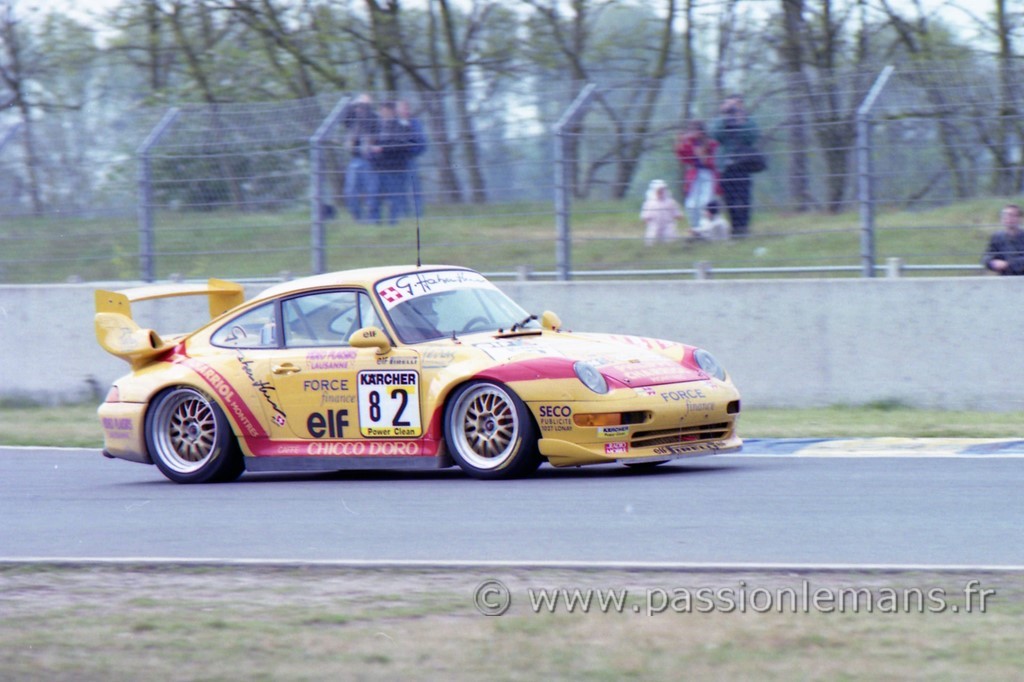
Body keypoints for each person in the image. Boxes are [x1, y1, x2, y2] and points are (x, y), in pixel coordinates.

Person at [711, 94, 760, 237]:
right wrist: (725, 116)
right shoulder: (720, 121)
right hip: (726, 167)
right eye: (729, 103)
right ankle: (735, 228)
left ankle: (743, 228)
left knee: (744, 198)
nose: (732, 107)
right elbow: (715, 134)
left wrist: (740, 119)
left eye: (735, 104)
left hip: (743, 165)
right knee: (729, 199)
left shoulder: (747, 120)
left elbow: (752, 136)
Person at [367, 101, 419, 225]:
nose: (383, 113)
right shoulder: (377, 126)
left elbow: (403, 144)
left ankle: (393, 223)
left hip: (394, 167)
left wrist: (383, 148)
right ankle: (374, 223)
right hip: (378, 167)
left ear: (392, 111)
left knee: (394, 197)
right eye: (381, 110)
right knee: (374, 196)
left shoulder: (401, 126)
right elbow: (370, 143)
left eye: (385, 110)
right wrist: (371, 152)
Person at [674, 120, 720, 229]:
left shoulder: (711, 143)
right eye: (690, 130)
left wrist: (704, 157)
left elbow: (716, 162)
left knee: (705, 203)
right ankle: (695, 229)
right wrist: (681, 141)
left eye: (694, 130)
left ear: (701, 131)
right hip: (695, 174)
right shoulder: (690, 143)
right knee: (691, 204)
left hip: (708, 174)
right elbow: (682, 157)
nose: (692, 133)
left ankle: (707, 228)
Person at [342, 93, 380, 222]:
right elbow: (344, 116)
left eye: (363, 106)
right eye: (358, 106)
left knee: (371, 192)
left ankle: (372, 220)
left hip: (370, 160)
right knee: (351, 191)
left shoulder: (374, 118)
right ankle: (357, 218)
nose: (360, 108)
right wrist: (353, 103)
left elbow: (375, 134)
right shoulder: (352, 119)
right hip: (355, 158)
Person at [396, 100, 428, 219]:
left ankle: (418, 214)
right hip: (397, 162)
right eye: (401, 108)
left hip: (410, 159)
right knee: (400, 187)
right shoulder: (394, 123)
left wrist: (411, 151)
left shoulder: (415, 123)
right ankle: (404, 213)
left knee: (415, 187)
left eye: (405, 108)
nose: (403, 111)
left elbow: (422, 142)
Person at [982, 204, 1024, 275]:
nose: (1009, 218)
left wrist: (1008, 264)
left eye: (1013, 215)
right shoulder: (997, 237)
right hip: (1004, 280)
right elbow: (986, 257)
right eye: (1006, 215)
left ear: (1019, 218)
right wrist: (993, 263)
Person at [640, 179, 682, 247]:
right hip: (655, 223)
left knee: (670, 236)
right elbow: (645, 214)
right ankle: (651, 246)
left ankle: (669, 245)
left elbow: (675, 211)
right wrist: (646, 219)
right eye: (658, 190)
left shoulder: (670, 201)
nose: (660, 192)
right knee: (652, 237)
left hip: (667, 223)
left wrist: (678, 215)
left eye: (662, 190)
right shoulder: (650, 203)